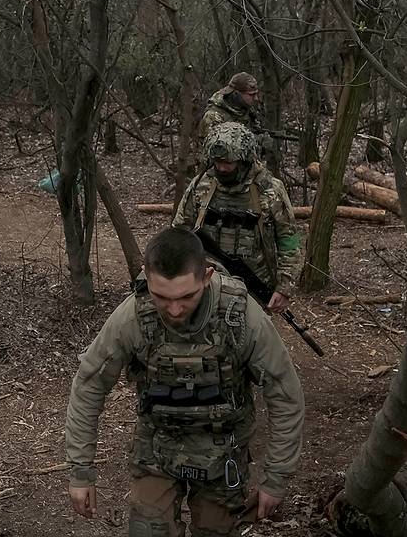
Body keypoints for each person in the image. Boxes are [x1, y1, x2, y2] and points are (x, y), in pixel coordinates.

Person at [65, 227, 304, 536]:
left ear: (206, 277)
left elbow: (285, 394)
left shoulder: (242, 316)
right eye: (162, 297)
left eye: (186, 296)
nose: (174, 310)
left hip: (223, 450)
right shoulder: (134, 317)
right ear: (146, 277)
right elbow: (89, 385)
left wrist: (276, 478)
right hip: (158, 445)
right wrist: (81, 472)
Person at [173, 122, 301, 314]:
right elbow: (180, 231)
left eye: (228, 163)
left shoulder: (270, 190)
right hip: (206, 281)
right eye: (217, 162)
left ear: (244, 160)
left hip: (254, 285)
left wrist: (284, 287)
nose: (221, 168)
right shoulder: (201, 186)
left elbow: (289, 240)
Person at [199, 72, 262, 143]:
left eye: (256, 94)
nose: (256, 98)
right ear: (236, 94)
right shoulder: (213, 116)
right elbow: (215, 149)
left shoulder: (247, 109)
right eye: (251, 95)